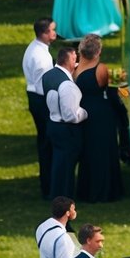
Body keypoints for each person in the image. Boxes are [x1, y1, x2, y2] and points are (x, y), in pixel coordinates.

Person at [75, 34, 123, 203]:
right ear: (98, 52)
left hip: (84, 112)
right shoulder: (100, 69)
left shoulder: (76, 69)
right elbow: (111, 89)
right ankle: (105, 191)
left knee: (89, 151)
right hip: (101, 113)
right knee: (104, 150)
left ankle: (88, 189)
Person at [43, 45, 88, 201]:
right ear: (69, 61)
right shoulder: (67, 86)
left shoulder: (48, 75)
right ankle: (64, 200)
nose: (77, 63)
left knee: (58, 165)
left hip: (53, 124)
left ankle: (55, 195)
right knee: (67, 169)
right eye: (75, 59)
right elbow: (71, 116)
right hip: (66, 130)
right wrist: (85, 113)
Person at [23, 16, 57, 196]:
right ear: (44, 34)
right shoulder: (41, 58)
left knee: (43, 141)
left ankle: (47, 183)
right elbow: (43, 86)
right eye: (52, 30)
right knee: (47, 142)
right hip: (40, 99)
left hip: (34, 96)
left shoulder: (34, 47)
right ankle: (48, 185)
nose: (55, 33)